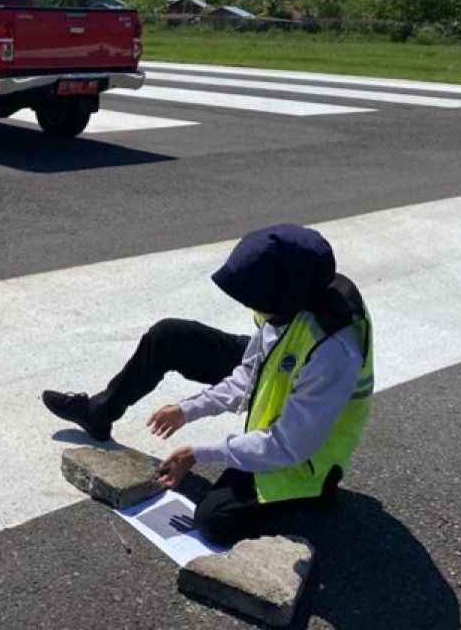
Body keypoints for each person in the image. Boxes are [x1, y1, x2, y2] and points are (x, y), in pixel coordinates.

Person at [42, 224, 374, 545]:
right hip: (286, 369)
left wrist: (200, 452)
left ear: (283, 294)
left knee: (214, 521)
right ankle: (100, 412)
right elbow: (250, 374)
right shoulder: (292, 296)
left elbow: (288, 445)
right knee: (170, 336)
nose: (248, 304)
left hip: (303, 459)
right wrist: (188, 409)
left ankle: (312, 497)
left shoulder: (334, 351)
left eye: (254, 297)